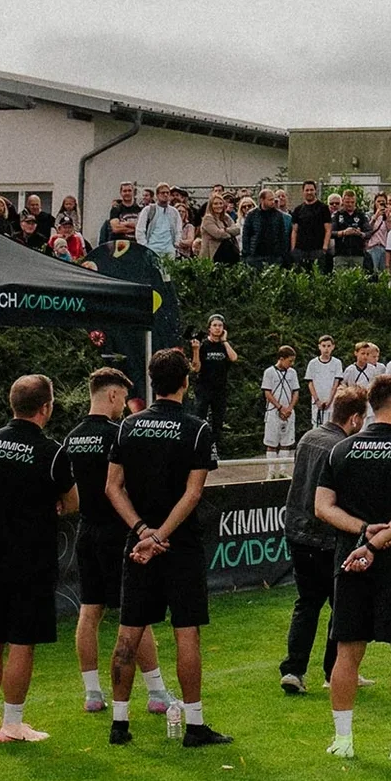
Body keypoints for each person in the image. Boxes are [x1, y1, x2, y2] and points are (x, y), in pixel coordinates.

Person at [103, 348, 228, 748]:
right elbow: (192, 495)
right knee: (185, 633)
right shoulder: (197, 429)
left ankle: (119, 723)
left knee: (129, 632)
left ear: (150, 382)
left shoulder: (127, 426)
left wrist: (142, 531)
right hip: (181, 545)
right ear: (186, 382)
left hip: (138, 544)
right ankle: (194, 724)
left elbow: (112, 488)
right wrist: (160, 535)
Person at [313, 375, 391, 760]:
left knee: (348, 650)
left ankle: (343, 741)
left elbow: (322, 507)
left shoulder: (340, 450)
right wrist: (376, 540)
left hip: (349, 560)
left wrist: (362, 534)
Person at [0, 375, 76, 744]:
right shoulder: (51, 452)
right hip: (31, 556)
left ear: (12, 404)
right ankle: (13, 724)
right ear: (46, 407)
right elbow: (73, 501)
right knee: (21, 641)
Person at [59, 369, 169, 714]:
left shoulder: (71, 437)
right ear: (111, 396)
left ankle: (92, 693)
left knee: (89, 611)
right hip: (118, 532)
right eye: (122, 397)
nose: (124, 404)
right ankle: (157, 693)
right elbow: (129, 483)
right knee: (136, 614)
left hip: (86, 531)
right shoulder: (118, 433)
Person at [280, 387, 364, 695]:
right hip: (328, 536)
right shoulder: (344, 447)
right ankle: (335, 671)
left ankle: (294, 669)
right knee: (339, 604)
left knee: (307, 602)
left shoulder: (308, 438)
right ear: (354, 418)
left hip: (297, 530)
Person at [191, 316, 238, 451]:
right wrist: (195, 350)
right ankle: (198, 447)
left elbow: (234, 358)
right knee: (200, 416)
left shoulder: (225, 346)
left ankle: (214, 447)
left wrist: (225, 341)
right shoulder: (203, 345)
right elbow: (196, 368)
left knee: (218, 420)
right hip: (204, 387)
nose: (217, 328)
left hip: (220, 389)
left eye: (220, 325)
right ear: (209, 328)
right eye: (215, 325)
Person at [260, 344, 300, 455]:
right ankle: (271, 472)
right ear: (281, 359)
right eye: (290, 361)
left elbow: (296, 391)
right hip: (273, 412)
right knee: (271, 443)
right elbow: (267, 392)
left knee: (286, 443)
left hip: (289, 412)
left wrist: (290, 408)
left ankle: (283, 471)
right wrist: (280, 407)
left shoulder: (292, 372)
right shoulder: (269, 372)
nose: (291, 364)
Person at [289, 181, 332, 267]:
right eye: (307, 190)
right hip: (300, 250)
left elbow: (328, 230)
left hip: (318, 250)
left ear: (315, 191)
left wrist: (324, 247)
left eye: (311, 190)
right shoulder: (298, 210)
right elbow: (294, 230)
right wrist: (293, 248)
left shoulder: (323, 208)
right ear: (303, 192)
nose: (309, 192)